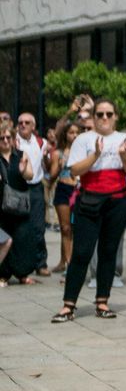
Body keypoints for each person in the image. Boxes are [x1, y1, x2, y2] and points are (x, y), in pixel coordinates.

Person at [52, 99, 126, 322]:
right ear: (93, 117)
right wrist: (96, 155)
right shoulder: (84, 139)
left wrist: (122, 154)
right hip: (89, 201)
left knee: (108, 251)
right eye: (100, 114)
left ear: (116, 116)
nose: (104, 118)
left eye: (109, 114)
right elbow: (74, 170)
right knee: (82, 252)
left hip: (117, 201)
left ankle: (102, 301)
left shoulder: (125, 139)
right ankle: (68, 305)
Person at [0, 121, 37, 284]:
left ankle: (22, 273)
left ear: (14, 139)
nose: (5, 141)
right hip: (2, 206)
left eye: (8, 137)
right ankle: (3, 274)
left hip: (20, 205)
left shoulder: (22, 155)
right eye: (2, 138)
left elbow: (31, 176)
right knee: (4, 239)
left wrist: (23, 171)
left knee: (23, 238)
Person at [15, 111, 50, 278]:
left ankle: (40, 263)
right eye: (20, 122)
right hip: (18, 187)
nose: (23, 125)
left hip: (35, 188)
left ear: (33, 126)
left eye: (27, 122)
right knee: (18, 227)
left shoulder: (41, 142)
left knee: (38, 227)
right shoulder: (12, 141)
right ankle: (17, 265)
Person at [49, 118, 81, 275]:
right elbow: (52, 177)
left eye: (77, 133)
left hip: (79, 190)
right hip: (63, 189)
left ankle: (66, 261)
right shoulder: (58, 153)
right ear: (66, 135)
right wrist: (60, 165)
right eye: (71, 132)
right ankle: (68, 263)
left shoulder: (83, 152)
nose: (74, 135)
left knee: (75, 228)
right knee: (65, 228)